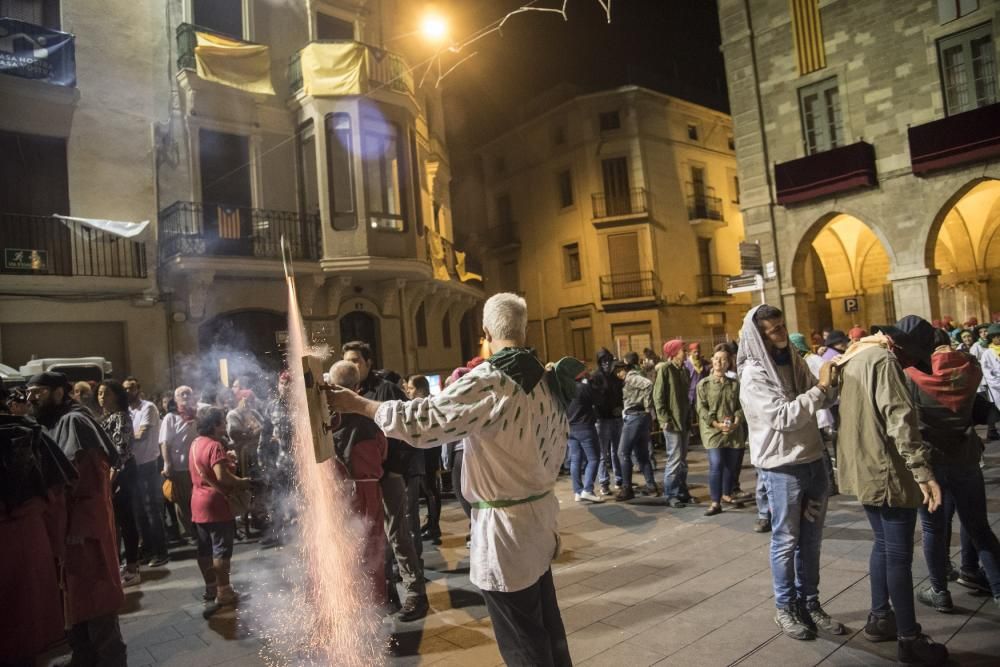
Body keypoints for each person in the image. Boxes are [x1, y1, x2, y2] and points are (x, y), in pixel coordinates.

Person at [328, 293, 574, 667]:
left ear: (487, 332)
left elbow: (424, 422)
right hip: (539, 519)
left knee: (523, 642)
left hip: (506, 532)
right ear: (522, 330)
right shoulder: (546, 382)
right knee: (547, 632)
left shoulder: (493, 379)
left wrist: (360, 405)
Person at [834, 315, 947, 665]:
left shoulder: (856, 355)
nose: (911, 365)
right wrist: (922, 471)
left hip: (863, 467)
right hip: (886, 469)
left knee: (882, 544)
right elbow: (899, 418)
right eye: (912, 358)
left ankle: (881, 617)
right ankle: (909, 639)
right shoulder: (883, 361)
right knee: (898, 555)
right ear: (903, 347)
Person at [737, 305, 844, 641]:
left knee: (810, 542)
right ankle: (785, 608)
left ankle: (810, 603)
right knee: (786, 541)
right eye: (774, 330)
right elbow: (783, 418)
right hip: (782, 469)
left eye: (783, 326)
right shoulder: (755, 375)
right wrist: (820, 389)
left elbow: (821, 398)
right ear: (759, 336)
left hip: (812, 461)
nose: (781, 334)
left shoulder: (793, 362)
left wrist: (833, 380)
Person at [27, 371, 127, 666]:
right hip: (64, 532)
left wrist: (81, 528)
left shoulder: (75, 422)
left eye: (39, 392)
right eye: (30, 392)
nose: (32, 398)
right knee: (75, 608)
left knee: (96, 604)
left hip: (85, 535)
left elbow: (95, 483)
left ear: (59, 392)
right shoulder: (50, 422)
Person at [907, 328, 1000, 613]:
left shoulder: (913, 377)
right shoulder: (968, 370)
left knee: (933, 530)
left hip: (932, 464)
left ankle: (939, 592)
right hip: (966, 459)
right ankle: (998, 589)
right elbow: (984, 409)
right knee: (979, 527)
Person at [342, 340, 428, 621]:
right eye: (347, 361)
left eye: (356, 360)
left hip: (389, 472)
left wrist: (396, 470)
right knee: (370, 535)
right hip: (363, 478)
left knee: (397, 531)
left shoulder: (386, 389)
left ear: (368, 362)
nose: (351, 365)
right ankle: (386, 589)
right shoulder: (348, 393)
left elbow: (408, 429)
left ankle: (415, 592)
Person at [0, 389, 77, 666]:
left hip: (24, 537)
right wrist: (58, 550)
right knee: (25, 633)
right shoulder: (33, 435)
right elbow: (58, 499)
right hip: (29, 542)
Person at [328, 361, 388, 606]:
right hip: (367, 489)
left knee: (344, 547)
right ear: (357, 386)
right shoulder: (369, 414)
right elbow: (383, 451)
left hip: (337, 491)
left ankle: (348, 602)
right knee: (371, 546)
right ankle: (373, 603)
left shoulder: (326, 417)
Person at [189, 407, 251, 608]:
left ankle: (210, 587)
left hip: (198, 503)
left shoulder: (196, 443)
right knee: (221, 550)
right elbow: (222, 477)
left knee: (204, 549)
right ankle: (224, 591)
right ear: (215, 425)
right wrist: (244, 482)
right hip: (216, 503)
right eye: (222, 422)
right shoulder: (214, 445)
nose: (225, 426)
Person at [98, 379, 142, 588]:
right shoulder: (105, 418)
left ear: (116, 395)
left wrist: (110, 479)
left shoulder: (122, 417)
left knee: (126, 519)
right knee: (116, 519)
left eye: (106, 393)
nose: (101, 397)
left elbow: (121, 451)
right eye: (99, 393)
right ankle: (122, 563)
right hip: (110, 472)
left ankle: (133, 567)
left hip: (121, 473)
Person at [124, 376, 168, 567]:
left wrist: (122, 437)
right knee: (138, 512)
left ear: (138, 389)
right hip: (134, 466)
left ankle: (161, 552)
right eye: (124, 388)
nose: (127, 391)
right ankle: (148, 549)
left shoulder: (147, 408)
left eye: (131, 388)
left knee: (152, 510)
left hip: (149, 465)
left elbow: (141, 435)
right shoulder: (126, 411)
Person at [698, 346, 745, 516]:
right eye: (716, 358)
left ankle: (727, 493)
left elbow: (741, 406)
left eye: (723, 359)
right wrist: (716, 424)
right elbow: (701, 409)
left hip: (733, 430)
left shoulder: (735, 384)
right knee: (716, 463)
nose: (719, 362)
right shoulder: (704, 384)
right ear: (712, 361)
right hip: (713, 431)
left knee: (731, 466)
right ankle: (715, 501)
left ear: (729, 363)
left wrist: (736, 421)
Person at [406, 375, 444, 546]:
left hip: (429, 452)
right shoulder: (415, 405)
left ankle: (434, 526)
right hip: (421, 452)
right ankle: (430, 523)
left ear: (421, 389)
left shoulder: (431, 404)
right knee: (427, 488)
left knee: (430, 489)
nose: (408, 391)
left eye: (411, 388)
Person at [615, 353, 659, 501]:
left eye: (618, 370)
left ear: (624, 369)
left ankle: (627, 489)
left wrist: (647, 405)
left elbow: (648, 385)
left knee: (623, 452)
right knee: (642, 454)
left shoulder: (631, 377)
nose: (617, 374)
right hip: (641, 417)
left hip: (635, 416)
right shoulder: (631, 376)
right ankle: (651, 485)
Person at [654, 339, 691, 507]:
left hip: (684, 421)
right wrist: (664, 419)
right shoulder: (665, 369)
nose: (685, 352)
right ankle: (671, 494)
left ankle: (682, 491)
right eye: (682, 349)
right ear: (674, 352)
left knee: (683, 459)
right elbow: (658, 396)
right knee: (675, 459)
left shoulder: (684, 370)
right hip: (673, 423)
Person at [259, 371, 295, 549]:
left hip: (302, 464)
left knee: (301, 502)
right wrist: (262, 456)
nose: (286, 387)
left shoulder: (304, 405)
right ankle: (277, 532)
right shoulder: (272, 406)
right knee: (277, 499)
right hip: (281, 462)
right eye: (283, 383)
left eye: (289, 384)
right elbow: (265, 433)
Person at [160, 385, 198, 542]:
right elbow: (164, 442)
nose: (185, 396)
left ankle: (199, 529)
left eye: (188, 393)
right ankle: (190, 532)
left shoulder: (198, 415)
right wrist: (167, 463)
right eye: (181, 394)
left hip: (196, 466)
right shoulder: (171, 418)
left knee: (196, 499)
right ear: (175, 400)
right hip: (180, 466)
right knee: (182, 501)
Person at [591, 347, 624, 496]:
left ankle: (619, 480)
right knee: (603, 454)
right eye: (603, 361)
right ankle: (604, 482)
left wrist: (619, 407)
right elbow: (596, 399)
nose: (606, 363)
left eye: (608, 360)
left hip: (615, 418)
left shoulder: (614, 377)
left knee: (617, 451)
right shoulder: (596, 377)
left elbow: (620, 394)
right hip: (602, 419)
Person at [567, 369, 602, 503]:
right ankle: (587, 490)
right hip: (585, 427)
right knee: (593, 459)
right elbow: (598, 400)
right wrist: (592, 382)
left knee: (575, 460)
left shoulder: (565, 389)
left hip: (570, 428)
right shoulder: (583, 387)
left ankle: (577, 491)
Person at [980, 323, 1000, 441]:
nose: (998, 338)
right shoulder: (987, 353)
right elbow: (987, 374)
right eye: (996, 336)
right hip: (996, 387)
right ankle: (992, 431)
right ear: (991, 338)